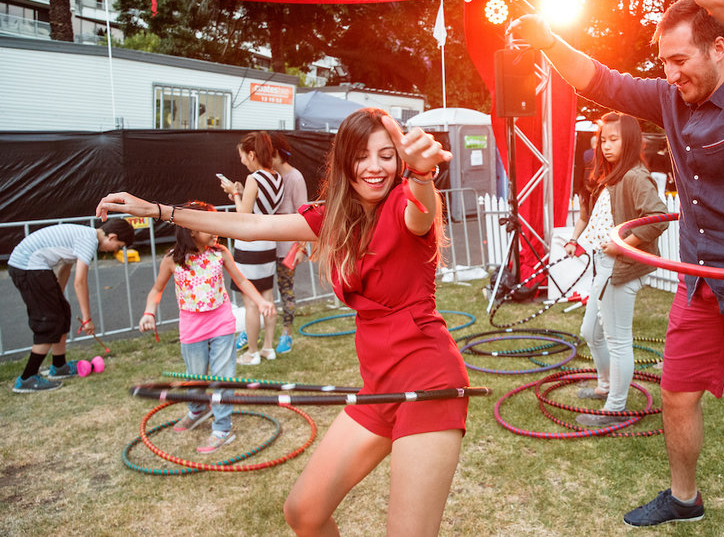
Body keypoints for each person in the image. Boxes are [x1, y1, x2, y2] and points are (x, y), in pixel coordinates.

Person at [510, 0, 724, 534]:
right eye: (663, 63)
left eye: (680, 59)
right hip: (700, 282)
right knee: (676, 394)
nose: (670, 73)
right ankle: (683, 497)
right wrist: (547, 40)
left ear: (719, 49)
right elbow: (599, 80)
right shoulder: (671, 99)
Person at [97, 107, 469, 536]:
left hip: (429, 384)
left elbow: (421, 210)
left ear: (400, 160)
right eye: (362, 155)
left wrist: (423, 176)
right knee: (304, 513)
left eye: (387, 155)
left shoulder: (407, 199)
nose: (374, 167)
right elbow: (250, 226)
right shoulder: (333, 216)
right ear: (345, 158)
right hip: (379, 385)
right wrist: (158, 210)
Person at [139, 201, 276, 454]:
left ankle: (222, 428)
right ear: (191, 229)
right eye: (209, 225)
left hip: (221, 323)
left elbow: (241, 280)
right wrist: (149, 312)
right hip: (192, 328)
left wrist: (260, 301)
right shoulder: (172, 260)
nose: (216, 230)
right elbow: (156, 290)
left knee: (222, 378)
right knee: (196, 377)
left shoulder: (220, 253)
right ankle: (197, 410)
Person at [564, 112, 669, 426]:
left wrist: (626, 244)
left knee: (617, 339)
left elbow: (658, 217)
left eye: (614, 140)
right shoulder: (615, 175)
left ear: (631, 140)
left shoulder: (636, 176)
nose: (606, 146)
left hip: (621, 268)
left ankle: (614, 408)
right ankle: (606, 386)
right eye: (603, 140)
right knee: (591, 333)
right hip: (604, 266)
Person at [9, 219, 133, 392]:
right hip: (27, 267)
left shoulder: (84, 236)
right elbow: (80, 282)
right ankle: (27, 378)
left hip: (33, 267)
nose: (115, 250)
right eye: (118, 246)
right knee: (50, 321)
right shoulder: (89, 240)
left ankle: (59, 367)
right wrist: (87, 319)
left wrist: (57, 299)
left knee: (62, 313)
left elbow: (65, 268)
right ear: (112, 237)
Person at [220, 131, 283, 365]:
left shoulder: (254, 178)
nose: (242, 161)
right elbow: (259, 208)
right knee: (267, 296)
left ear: (252, 154)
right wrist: (240, 193)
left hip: (250, 246)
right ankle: (268, 347)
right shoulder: (276, 177)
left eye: (243, 156)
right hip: (269, 242)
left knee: (250, 301)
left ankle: (252, 352)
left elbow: (243, 216)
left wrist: (234, 192)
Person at [270, 132, 310, 355]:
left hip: (287, 248)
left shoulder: (295, 177)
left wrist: (302, 247)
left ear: (275, 152)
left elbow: (304, 213)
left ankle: (286, 333)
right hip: (267, 245)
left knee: (287, 291)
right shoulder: (270, 176)